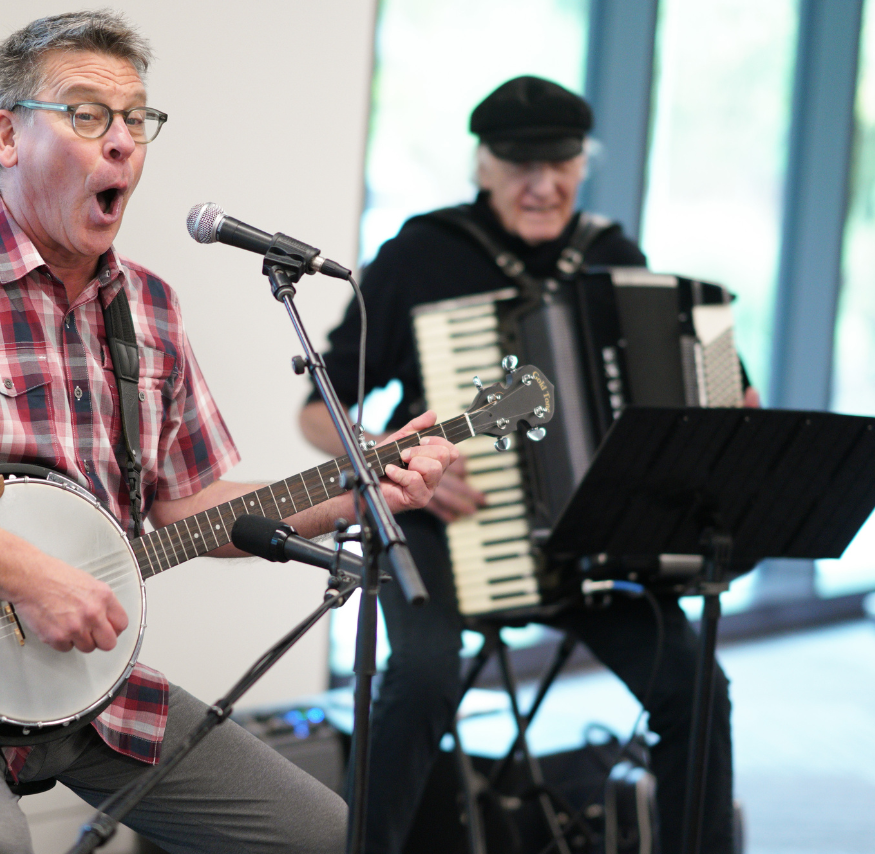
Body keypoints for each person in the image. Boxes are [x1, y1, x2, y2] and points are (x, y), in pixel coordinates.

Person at [0, 11, 459, 854]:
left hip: (69, 677)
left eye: (137, 120)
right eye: (85, 115)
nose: (122, 144)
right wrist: (31, 575)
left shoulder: (147, 306)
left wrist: (357, 489)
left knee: (319, 836)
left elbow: (187, 508)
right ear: (7, 134)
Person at [300, 76, 748, 854]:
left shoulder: (611, 253)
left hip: (587, 547)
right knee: (423, 677)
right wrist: (395, 460)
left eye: (561, 164)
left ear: (584, 163)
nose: (542, 186)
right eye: (518, 166)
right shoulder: (422, 251)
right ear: (483, 165)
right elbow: (320, 409)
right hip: (444, 528)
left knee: (695, 684)